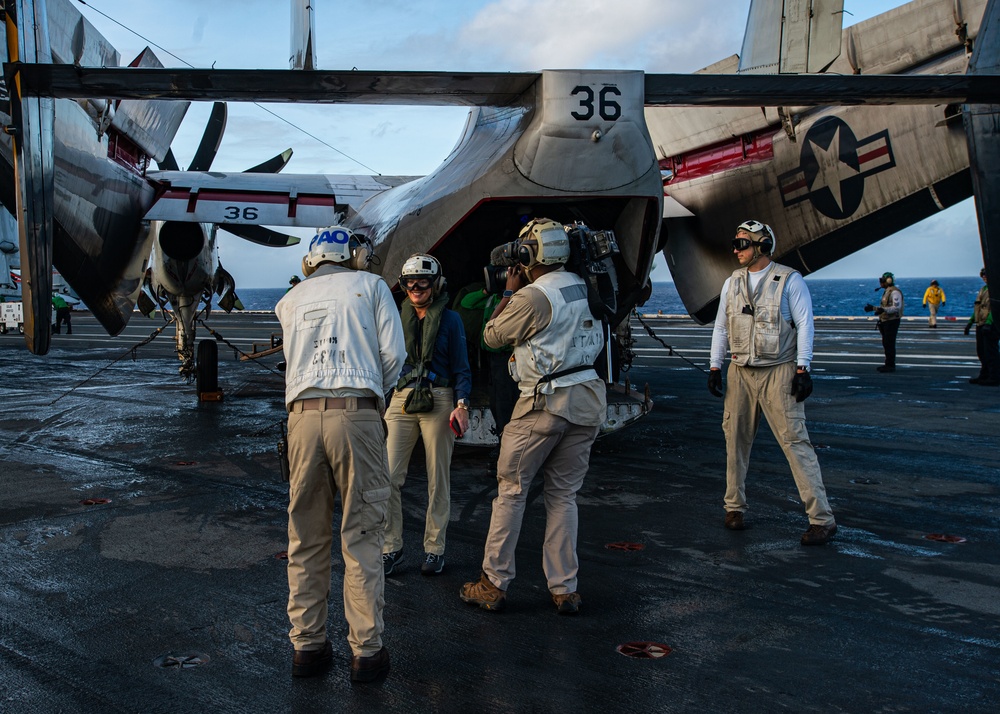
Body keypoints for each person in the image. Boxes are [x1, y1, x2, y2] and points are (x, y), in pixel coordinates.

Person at [274, 225, 405, 682]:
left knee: (305, 537)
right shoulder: (370, 286)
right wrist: (369, 395)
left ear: (311, 260)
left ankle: (306, 647)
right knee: (362, 535)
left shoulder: (289, 301)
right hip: (358, 413)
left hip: (301, 419)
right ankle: (366, 653)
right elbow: (393, 355)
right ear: (353, 255)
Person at [460, 218, 606, 614]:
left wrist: (509, 292)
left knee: (511, 490)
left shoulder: (534, 296)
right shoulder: (584, 284)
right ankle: (564, 589)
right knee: (564, 496)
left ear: (529, 254)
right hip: (588, 398)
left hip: (544, 402)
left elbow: (491, 336)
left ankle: (493, 582)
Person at [707, 220, 837, 546]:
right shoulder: (732, 283)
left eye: (743, 244)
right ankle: (733, 508)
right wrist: (714, 366)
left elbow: (805, 325)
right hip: (740, 372)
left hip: (779, 372)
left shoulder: (789, 281)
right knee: (734, 441)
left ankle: (821, 519)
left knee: (795, 443)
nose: (736, 250)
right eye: (736, 243)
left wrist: (803, 369)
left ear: (762, 247)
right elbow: (721, 327)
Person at [382, 254, 471, 577]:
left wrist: (462, 405)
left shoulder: (450, 321)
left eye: (423, 282)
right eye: (409, 282)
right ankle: (391, 547)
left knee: (438, 479)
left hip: (439, 398)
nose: (416, 288)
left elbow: (462, 367)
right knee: (388, 477)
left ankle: (435, 550)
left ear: (435, 285)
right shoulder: (395, 317)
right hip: (402, 398)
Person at [964, 267, 999, 386]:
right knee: (982, 352)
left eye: (986, 274)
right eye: (982, 274)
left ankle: (994, 376)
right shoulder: (983, 289)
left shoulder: (995, 290)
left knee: (991, 352)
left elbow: (995, 309)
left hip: (990, 326)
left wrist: (989, 323)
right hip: (981, 324)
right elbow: (978, 308)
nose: (984, 276)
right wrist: (970, 322)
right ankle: (984, 375)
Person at [864, 272, 903, 372]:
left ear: (888, 281)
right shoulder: (887, 291)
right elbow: (886, 307)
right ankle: (888, 364)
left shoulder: (894, 292)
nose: (881, 283)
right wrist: (874, 309)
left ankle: (890, 365)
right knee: (886, 343)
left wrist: (883, 310)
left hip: (892, 321)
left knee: (889, 343)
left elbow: (896, 308)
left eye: (882, 280)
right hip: (886, 321)